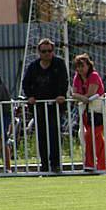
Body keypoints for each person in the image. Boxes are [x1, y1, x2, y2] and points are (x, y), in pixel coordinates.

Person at [22, 39, 68, 173]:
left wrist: (61, 95)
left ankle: (55, 164)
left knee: (54, 134)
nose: (47, 54)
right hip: (39, 107)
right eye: (44, 51)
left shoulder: (59, 64)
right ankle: (44, 164)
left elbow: (64, 81)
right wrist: (30, 96)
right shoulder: (33, 66)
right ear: (39, 52)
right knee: (41, 135)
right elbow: (26, 83)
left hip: (55, 105)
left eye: (49, 51)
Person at [71, 54, 106, 172]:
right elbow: (75, 94)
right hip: (86, 111)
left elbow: (90, 94)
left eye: (82, 66)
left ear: (88, 65)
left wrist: (79, 97)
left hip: (99, 110)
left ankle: (99, 165)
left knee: (94, 136)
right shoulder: (77, 77)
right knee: (89, 137)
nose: (80, 69)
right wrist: (80, 97)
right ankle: (93, 165)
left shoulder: (94, 76)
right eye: (78, 66)